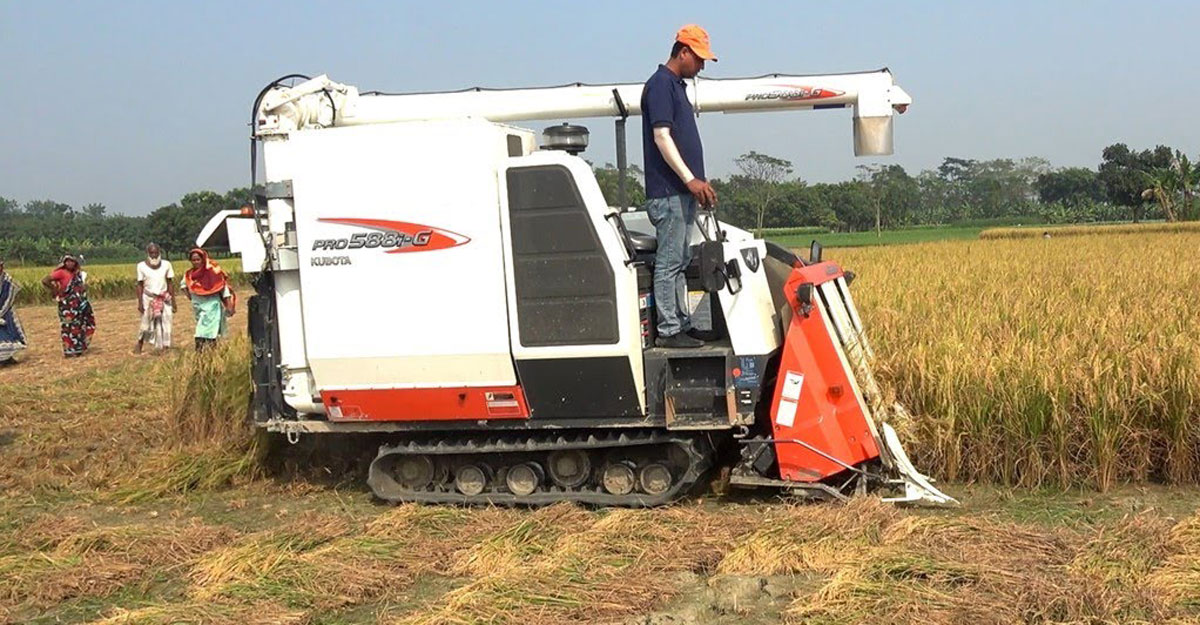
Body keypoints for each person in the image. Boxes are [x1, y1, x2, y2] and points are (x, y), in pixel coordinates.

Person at [641, 24, 719, 349]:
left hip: (681, 193)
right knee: (671, 261)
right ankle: (671, 329)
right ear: (683, 51)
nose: (701, 67)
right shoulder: (661, 85)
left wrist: (694, 185)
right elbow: (662, 137)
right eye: (699, 59)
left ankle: (681, 324)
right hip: (669, 192)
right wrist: (690, 179)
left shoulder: (675, 86)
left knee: (679, 260)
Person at [42, 254, 95, 358]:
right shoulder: (61, 273)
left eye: (72, 261)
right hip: (67, 306)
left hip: (79, 305)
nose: (70, 263)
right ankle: (69, 350)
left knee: (80, 325)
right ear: (64, 263)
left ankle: (78, 348)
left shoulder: (78, 274)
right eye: (67, 261)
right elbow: (45, 280)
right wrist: (56, 291)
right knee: (68, 327)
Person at [182, 248, 235, 350]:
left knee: (207, 331)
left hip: (212, 306)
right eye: (194, 260)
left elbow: (222, 288)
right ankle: (207, 355)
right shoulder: (189, 274)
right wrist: (191, 297)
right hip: (198, 306)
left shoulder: (212, 272)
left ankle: (204, 353)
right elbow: (184, 285)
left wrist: (229, 305)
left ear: (203, 259)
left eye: (198, 259)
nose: (196, 262)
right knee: (203, 328)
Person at [134, 243, 176, 353]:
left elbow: (170, 283)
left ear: (159, 252)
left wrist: (173, 301)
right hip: (148, 297)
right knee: (145, 322)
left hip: (164, 297)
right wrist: (140, 303)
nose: (154, 255)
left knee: (166, 322)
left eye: (156, 253)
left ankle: (165, 347)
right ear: (148, 253)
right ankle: (139, 343)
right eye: (151, 253)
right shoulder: (141, 266)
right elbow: (139, 285)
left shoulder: (167, 265)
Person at [0, 259, 27, 365]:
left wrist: (1, 313)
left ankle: (7, 358)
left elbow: (9, 299)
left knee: (9, 333)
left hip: (6, 311)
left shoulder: (8, 281)